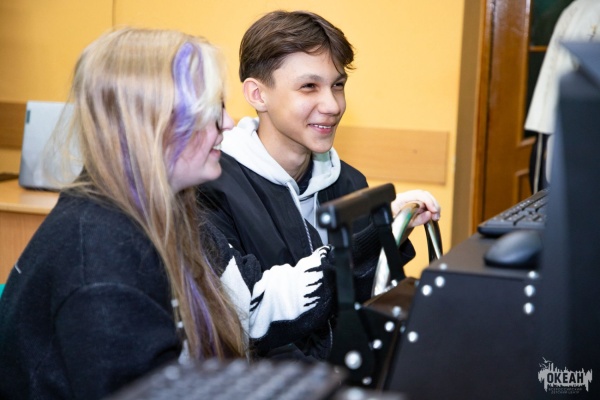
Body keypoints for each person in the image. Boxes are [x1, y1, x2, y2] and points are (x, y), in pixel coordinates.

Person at [0, 27, 336, 399]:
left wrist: (355, 250)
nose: (228, 123)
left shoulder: (168, 211)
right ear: (152, 124)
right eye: (211, 110)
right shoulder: (101, 258)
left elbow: (247, 303)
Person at [197, 10, 441, 361]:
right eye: (309, 87)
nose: (332, 105)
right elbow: (241, 320)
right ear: (257, 94)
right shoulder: (212, 189)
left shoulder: (349, 182)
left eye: (338, 85)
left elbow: (372, 302)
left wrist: (387, 230)